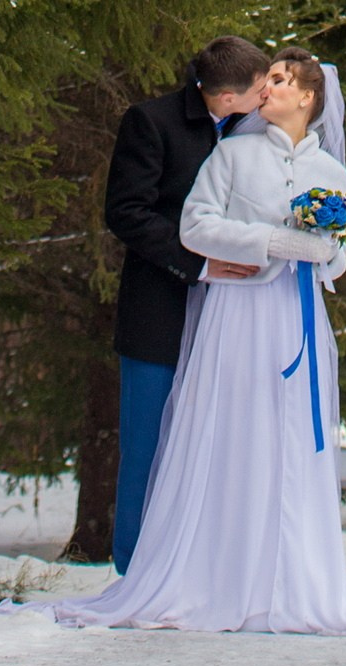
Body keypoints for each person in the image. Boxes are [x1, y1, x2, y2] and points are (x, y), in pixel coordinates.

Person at [56, 51, 346, 636]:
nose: (267, 88)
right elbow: (181, 223)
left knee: (286, 441)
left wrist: (324, 253)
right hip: (218, 312)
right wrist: (271, 243)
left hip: (291, 319)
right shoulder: (215, 146)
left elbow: (339, 253)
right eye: (264, 79)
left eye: (280, 80)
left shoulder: (333, 174)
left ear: (308, 98)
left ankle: (281, 578)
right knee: (199, 438)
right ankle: (172, 572)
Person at [101, 34, 270, 573]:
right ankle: (133, 570)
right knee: (147, 448)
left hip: (233, 319)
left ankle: (199, 571)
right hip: (161, 309)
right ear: (225, 97)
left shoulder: (258, 131)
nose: (267, 96)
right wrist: (198, 264)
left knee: (216, 450)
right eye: (260, 88)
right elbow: (127, 212)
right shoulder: (151, 122)